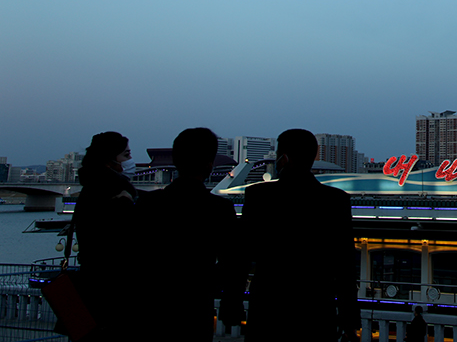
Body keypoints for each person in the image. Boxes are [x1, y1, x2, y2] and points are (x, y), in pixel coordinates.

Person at [241, 129, 360, 341]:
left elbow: (241, 255)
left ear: (284, 158)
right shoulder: (335, 200)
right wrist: (349, 319)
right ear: (313, 157)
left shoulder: (258, 196)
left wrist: (232, 300)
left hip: (268, 308)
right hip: (316, 310)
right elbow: (345, 266)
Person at [135, 128, 244, 340]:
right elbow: (233, 262)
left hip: (149, 306)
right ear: (209, 165)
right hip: (196, 306)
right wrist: (230, 302)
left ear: (176, 161)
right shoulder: (219, 209)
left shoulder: (148, 204)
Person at [72, 131, 138, 340]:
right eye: (126, 155)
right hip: (113, 292)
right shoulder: (113, 193)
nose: (131, 160)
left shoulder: (91, 188)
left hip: (91, 288)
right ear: (110, 159)